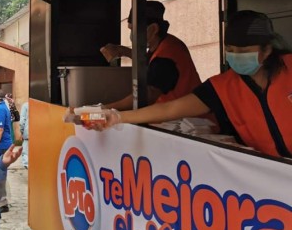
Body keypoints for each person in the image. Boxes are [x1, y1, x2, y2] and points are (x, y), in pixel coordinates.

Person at [84, 10, 292, 158]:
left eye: (245, 52)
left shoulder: (289, 69)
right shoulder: (223, 86)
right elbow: (170, 108)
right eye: (231, 50)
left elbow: (151, 92)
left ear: (266, 50)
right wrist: (116, 117)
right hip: (270, 171)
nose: (236, 57)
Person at [100, 1, 202, 110]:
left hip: (189, 121)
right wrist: (123, 51)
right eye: (130, 29)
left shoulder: (167, 55)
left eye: (135, 29)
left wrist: (105, 109)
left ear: (153, 29)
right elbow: (148, 62)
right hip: (178, 117)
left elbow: (148, 94)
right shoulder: (164, 44)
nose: (131, 36)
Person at [19, 101, 29, 169]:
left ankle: (27, 166)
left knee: (26, 153)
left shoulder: (26, 105)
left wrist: (22, 132)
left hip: (28, 133)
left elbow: (22, 121)